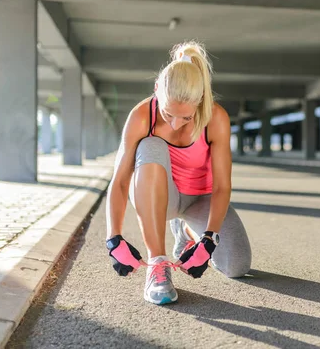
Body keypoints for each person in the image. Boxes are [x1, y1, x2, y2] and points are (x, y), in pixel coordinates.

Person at [104, 41, 252, 305]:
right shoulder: (141, 116)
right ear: (157, 91)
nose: (175, 123)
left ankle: (187, 231)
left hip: (199, 199)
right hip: (161, 196)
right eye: (168, 113)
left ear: (200, 102)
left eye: (185, 118)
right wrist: (113, 239)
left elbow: (221, 187)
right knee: (151, 144)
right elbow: (120, 181)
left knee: (236, 266)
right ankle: (158, 265)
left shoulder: (215, 118)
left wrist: (209, 239)